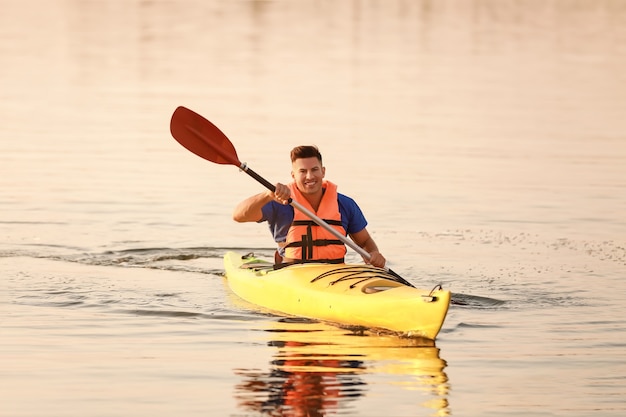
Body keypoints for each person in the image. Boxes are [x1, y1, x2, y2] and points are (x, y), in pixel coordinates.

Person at [232, 145, 387, 267]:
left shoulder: (345, 204)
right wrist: (266, 195)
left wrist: (374, 253)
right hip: (293, 272)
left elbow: (365, 241)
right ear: (293, 175)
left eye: (314, 170)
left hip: (336, 273)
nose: (310, 176)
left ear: (323, 171)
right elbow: (238, 216)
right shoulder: (280, 201)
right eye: (302, 171)